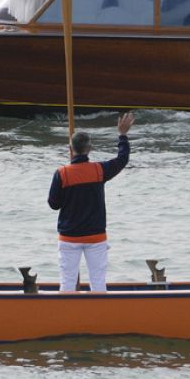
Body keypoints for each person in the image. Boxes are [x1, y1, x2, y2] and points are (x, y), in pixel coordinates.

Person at [48, 111, 136, 292]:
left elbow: (53, 204)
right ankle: (100, 317)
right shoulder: (99, 170)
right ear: (89, 149)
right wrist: (122, 136)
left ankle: (67, 317)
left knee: (67, 283)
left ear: (70, 149)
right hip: (95, 237)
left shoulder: (62, 173)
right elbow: (122, 159)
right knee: (98, 282)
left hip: (69, 237)